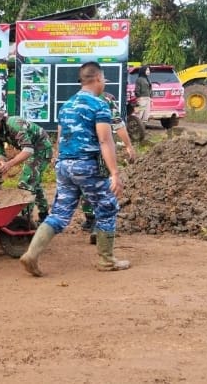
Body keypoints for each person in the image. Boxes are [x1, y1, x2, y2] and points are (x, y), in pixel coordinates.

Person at [19, 61, 128, 277]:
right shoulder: (99, 105)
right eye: (104, 78)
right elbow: (106, 141)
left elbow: (60, 138)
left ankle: (31, 254)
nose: (104, 82)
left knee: (59, 214)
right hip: (87, 165)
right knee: (107, 208)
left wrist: (62, 163)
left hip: (64, 165)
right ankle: (107, 260)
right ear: (97, 78)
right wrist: (115, 173)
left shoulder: (66, 105)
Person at [79, 91, 136, 244]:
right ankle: (98, 226)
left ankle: (90, 219)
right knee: (102, 185)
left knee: (86, 183)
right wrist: (129, 146)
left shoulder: (77, 99)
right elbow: (118, 125)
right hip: (100, 148)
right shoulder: (106, 100)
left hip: (80, 149)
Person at [0, 109, 53, 223]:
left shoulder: (14, 124)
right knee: (33, 181)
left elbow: (28, 150)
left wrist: (9, 164)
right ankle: (44, 215)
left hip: (41, 148)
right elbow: (0, 153)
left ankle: (25, 222)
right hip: (31, 149)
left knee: (26, 183)